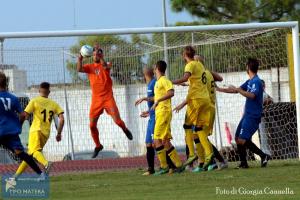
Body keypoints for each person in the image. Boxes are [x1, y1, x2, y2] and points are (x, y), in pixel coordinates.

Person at [77, 44, 133, 158]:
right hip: (96, 100)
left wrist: (100, 55)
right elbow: (79, 69)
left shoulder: (107, 64)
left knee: (117, 121)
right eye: (93, 54)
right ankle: (98, 145)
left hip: (108, 98)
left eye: (97, 53)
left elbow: (105, 66)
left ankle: (125, 129)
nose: (95, 55)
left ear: (101, 55)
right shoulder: (89, 67)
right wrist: (80, 59)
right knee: (92, 125)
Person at [217, 58, 270, 168]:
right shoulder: (249, 81)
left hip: (253, 115)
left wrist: (239, 90)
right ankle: (243, 163)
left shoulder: (257, 82)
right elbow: (236, 90)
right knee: (237, 138)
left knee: (242, 139)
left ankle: (263, 156)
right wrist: (219, 89)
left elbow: (252, 95)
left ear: (248, 68)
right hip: (247, 115)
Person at [172, 46, 213, 170]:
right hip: (205, 99)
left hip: (195, 100)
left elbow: (185, 77)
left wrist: (171, 82)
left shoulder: (189, 65)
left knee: (187, 126)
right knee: (199, 128)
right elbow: (194, 80)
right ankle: (209, 153)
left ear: (184, 55)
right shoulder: (200, 65)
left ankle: (191, 154)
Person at [15, 82, 65, 177]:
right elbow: (62, 119)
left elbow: (24, 115)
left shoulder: (34, 101)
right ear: (49, 92)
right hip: (46, 134)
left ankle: (46, 164)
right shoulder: (54, 104)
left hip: (36, 130)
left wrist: (19, 127)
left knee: (34, 152)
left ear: (39, 91)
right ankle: (15, 178)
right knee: (29, 155)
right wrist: (59, 133)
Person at [0, 72, 43, 178]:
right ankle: (41, 174)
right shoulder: (13, 98)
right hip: (11, 133)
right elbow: (23, 115)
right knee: (22, 154)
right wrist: (19, 125)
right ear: (6, 84)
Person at [152, 60, 183, 175]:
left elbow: (171, 92)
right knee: (165, 141)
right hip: (160, 112)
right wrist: (150, 110)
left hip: (164, 113)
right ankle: (178, 165)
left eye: (154, 68)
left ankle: (164, 166)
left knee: (156, 140)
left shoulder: (164, 80)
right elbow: (157, 98)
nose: (153, 70)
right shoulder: (158, 82)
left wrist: (159, 100)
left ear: (157, 68)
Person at [135, 67, 156, 175]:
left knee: (156, 143)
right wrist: (148, 112)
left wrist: (144, 98)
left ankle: (170, 165)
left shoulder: (154, 83)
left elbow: (158, 98)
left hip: (156, 117)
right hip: (151, 117)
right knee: (148, 143)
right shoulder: (149, 84)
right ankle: (150, 169)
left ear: (145, 75)